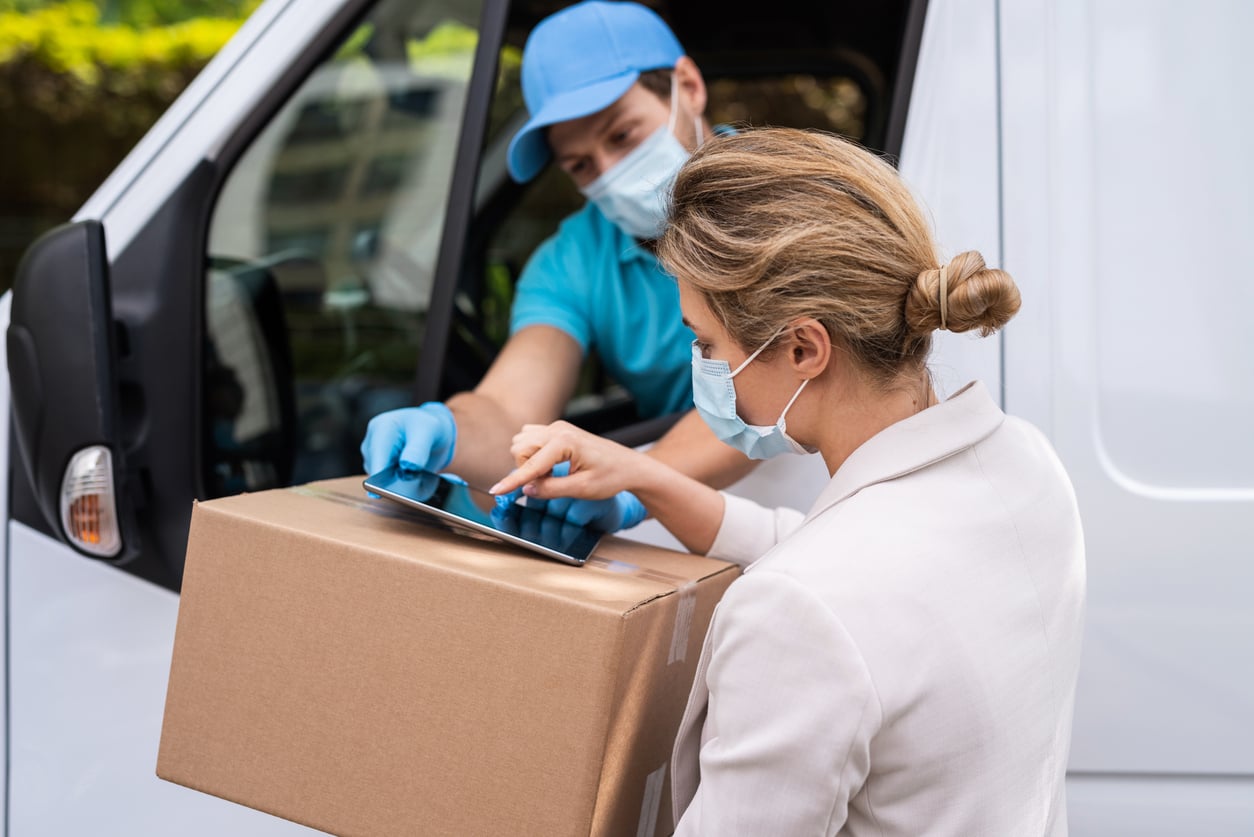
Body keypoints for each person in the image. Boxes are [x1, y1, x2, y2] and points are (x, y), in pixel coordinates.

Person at [491, 128, 1086, 834]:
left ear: (804, 347)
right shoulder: (1027, 463)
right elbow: (846, 565)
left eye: (706, 342)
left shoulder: (802, 612)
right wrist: (645, 478)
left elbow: (823, 594)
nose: (700, 364)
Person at [360, 1, 754, 530]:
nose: (610, 174)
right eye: (580, 165)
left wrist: (639, 480)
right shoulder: (573, 260)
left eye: (622, 136)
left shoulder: (788, 200)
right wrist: (446, 432)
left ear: (688, 86)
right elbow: (508, 409)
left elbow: (769, 390)